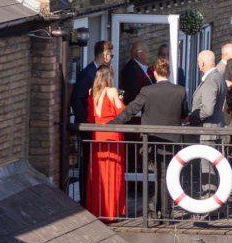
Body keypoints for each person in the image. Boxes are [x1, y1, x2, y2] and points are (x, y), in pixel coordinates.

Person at [112, 57, 189, 217]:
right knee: (167, 175)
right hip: (171, 140)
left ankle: (156, 210)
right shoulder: (180, 91)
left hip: (152, 140)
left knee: (157, 175)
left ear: (154, 73)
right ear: (169, 72)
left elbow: (131, 110)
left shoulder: (147, 91)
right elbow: (184, 114)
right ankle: (165, 211)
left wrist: (111, 124)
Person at [84, 65, 126, 220]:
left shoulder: (92, 93)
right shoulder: (111, 91)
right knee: (113, 170)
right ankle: (111, 211)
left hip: (98, 135)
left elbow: (91, 117)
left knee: (98, 172)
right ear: (109, 77)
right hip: (111, 134)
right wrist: (121, 100)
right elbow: (121, 112)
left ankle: (98, 209)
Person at [70, 39, 112, 123]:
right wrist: (85, 121)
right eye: (110, 55)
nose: (111, 58)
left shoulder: (102, 71)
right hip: (88, 121)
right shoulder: (88, 73)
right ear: (103, 55)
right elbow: (77, 98)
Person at [189, 49, 227, 127]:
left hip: (207, 128)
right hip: (215, 126)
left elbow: (207, 110)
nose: (198, 64)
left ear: (202, 63)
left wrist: (192, 117)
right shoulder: (219, 76)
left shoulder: (211, 80)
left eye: (198, 62)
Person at [120, 41, 153, 106]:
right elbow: (133, 93)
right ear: (139, 54)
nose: (149, 54)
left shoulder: (145, 67)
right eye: (146, 52)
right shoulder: (130, 70)